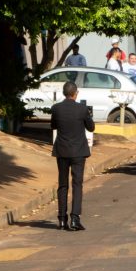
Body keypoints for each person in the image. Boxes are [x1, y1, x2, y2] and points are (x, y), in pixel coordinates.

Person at [51, 81, 95, 230]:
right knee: (77, 184)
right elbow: (91, 127)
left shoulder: (56, 108)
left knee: (63, 184)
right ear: (76, 93)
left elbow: (53, 126)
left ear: (64, 93)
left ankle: (62, 219)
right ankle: (75, 218)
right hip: (78, 152)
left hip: (62, 151)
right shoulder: (82, 109)